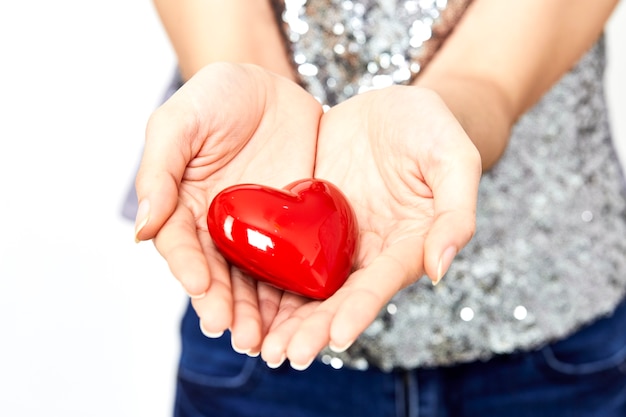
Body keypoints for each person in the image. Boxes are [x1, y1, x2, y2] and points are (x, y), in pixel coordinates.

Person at [129, 0, 626, 415]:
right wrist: (244, 77)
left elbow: (489, 74)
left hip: (559, 333)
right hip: (253, 345)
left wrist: (457, 108)